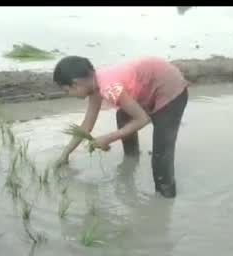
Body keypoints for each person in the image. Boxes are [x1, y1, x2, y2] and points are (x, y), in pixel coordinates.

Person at [53, 56, 188, 198]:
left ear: (75, 84)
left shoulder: (108, 87)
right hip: (149, 84)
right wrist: (65, 154)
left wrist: (108, 138)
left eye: (66, 91)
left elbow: (142, 119)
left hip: (170, 88)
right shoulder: (94, 84)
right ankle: (132, 158)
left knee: (161, 152)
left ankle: (165, 198)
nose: (69, 95)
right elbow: (86, 126)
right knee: (123, 117)